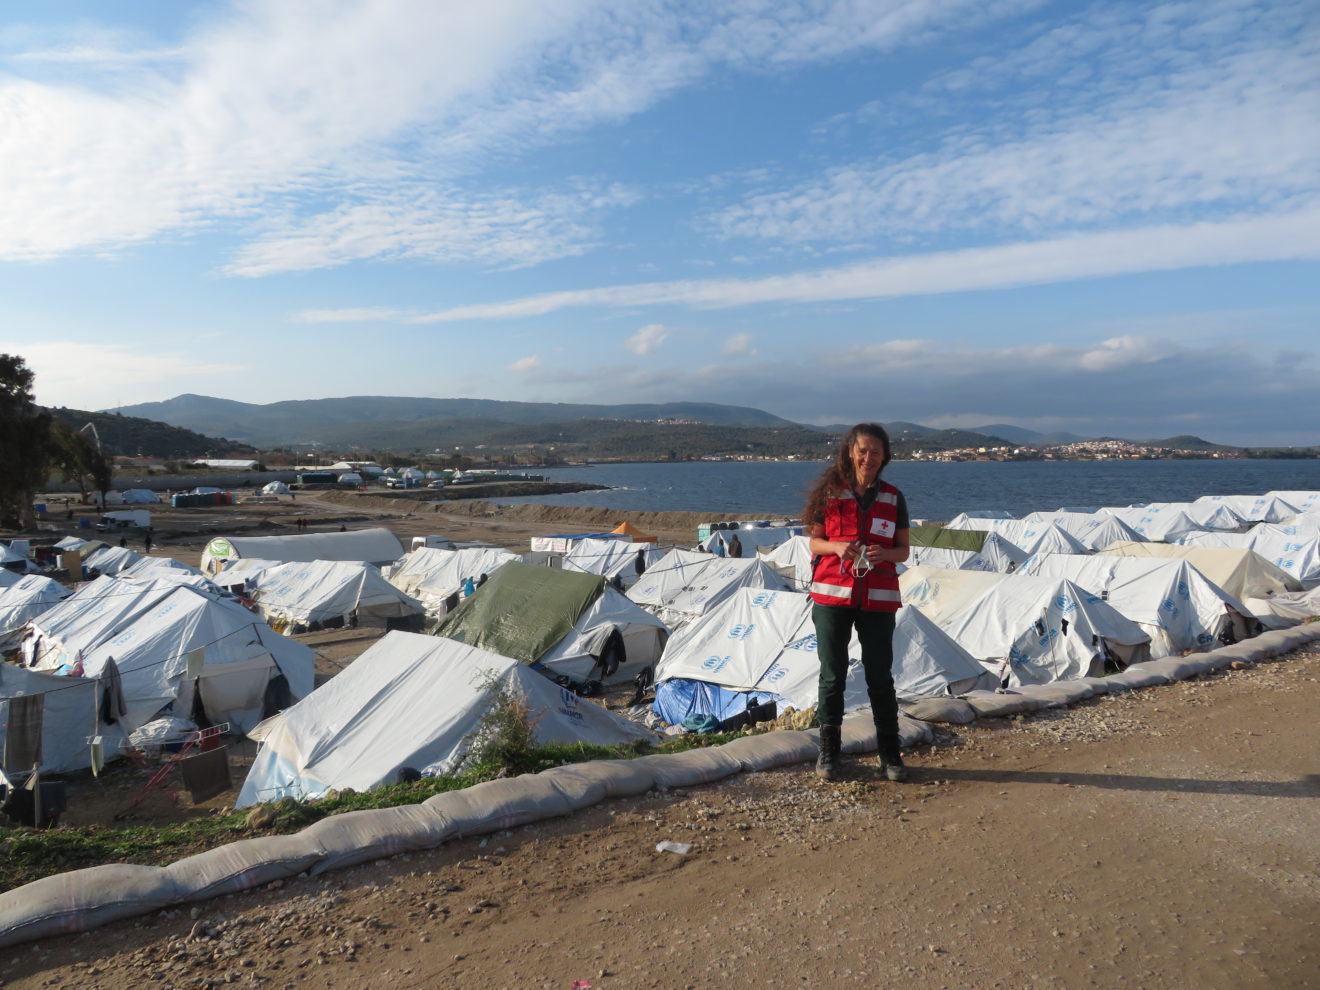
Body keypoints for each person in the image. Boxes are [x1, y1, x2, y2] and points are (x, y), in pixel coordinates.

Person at [804, 423, 910, 783]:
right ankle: (829, 751)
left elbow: (904, 550)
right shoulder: (830, 495)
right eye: (862, 450)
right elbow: (814, 543)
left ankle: (890, 754)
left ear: (885, 456)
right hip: (832, 595)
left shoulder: (894, 498)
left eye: (875, 451)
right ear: (851, 452)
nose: (868, 458)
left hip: (879, 600)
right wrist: (835, 546)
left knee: (880, 676)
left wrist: (886, 554)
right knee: (832, 675)